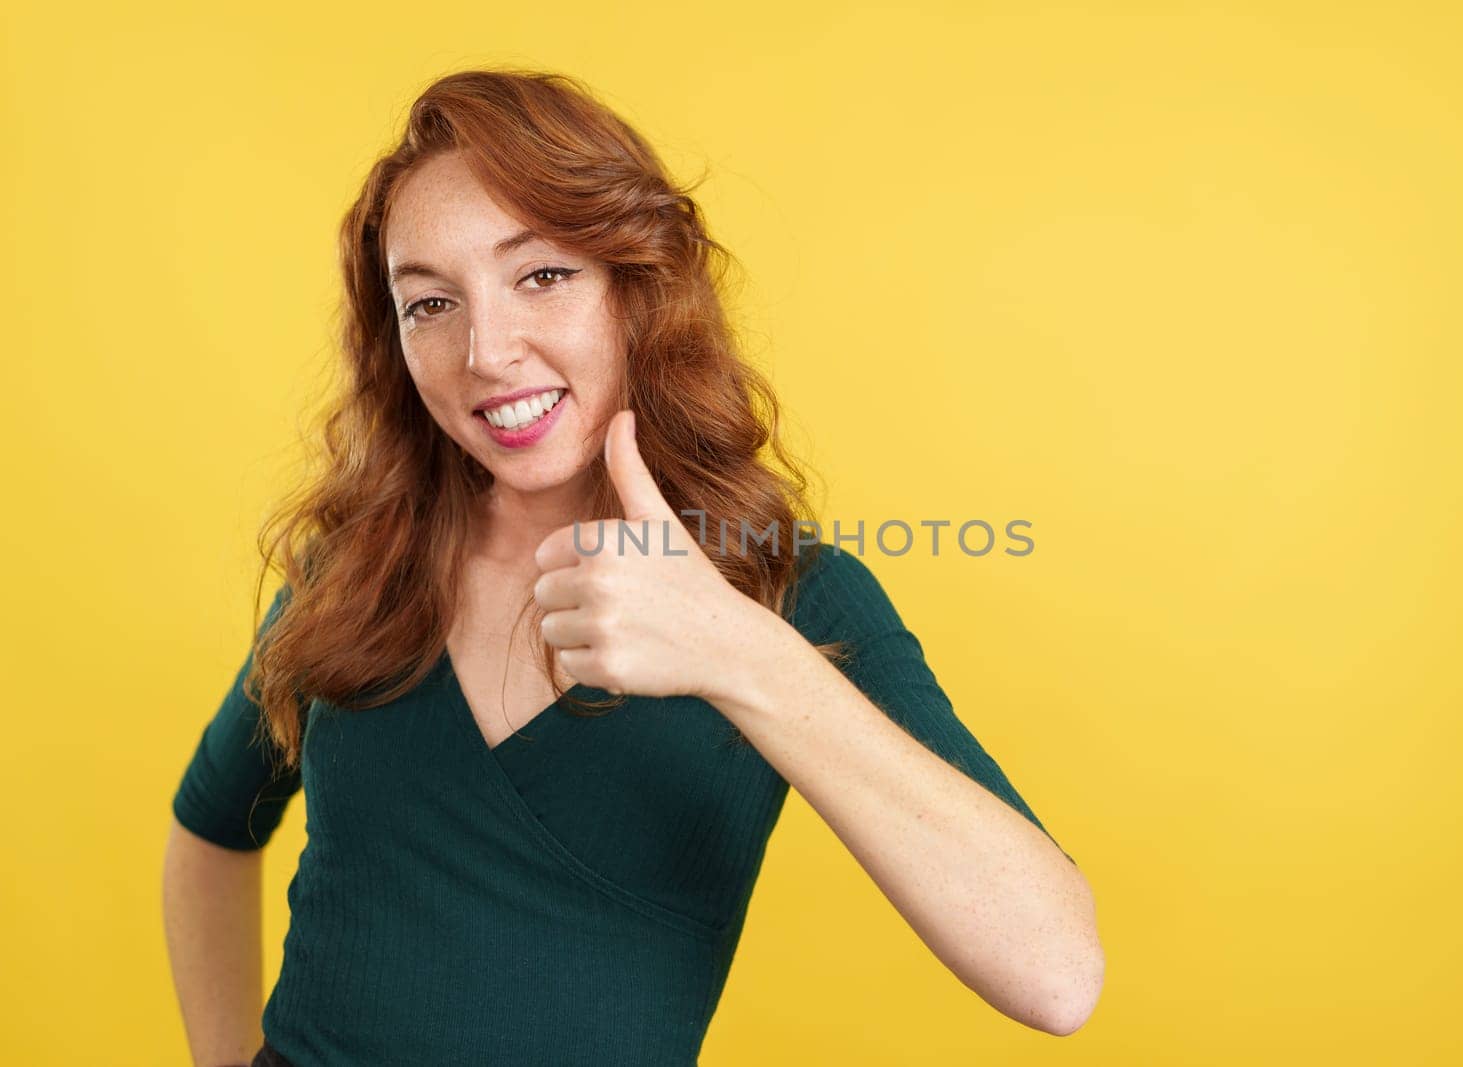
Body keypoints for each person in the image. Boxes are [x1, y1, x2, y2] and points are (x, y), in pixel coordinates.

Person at [161, 68, 1103, 1067]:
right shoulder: (355, 570)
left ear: (636, 286)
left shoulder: (787, 594)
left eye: (543, 276)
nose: (484, 350)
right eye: (429, 302)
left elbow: (1056, 974)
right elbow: (209, 829)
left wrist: (740, 652)